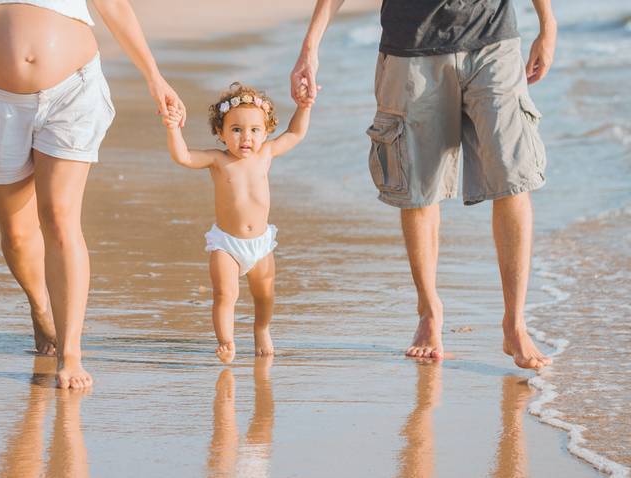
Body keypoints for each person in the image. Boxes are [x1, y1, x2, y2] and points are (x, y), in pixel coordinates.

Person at [0, 0, 185, 388]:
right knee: (17, 236)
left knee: (59, 218)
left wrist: (155, 76)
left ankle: (71, 352)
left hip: (73, 89)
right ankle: (41, 306)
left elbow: (114, 5)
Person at [291, 0, 557, 369]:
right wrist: (310, 48)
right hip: (410, 47)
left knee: (513, 177)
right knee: (417, 187)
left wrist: (548, 24)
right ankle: (429, 311)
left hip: (493, 41)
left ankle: (515, 323)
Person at [162, 82, 312, 363]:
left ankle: (262, 329)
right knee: (224, 294)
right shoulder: (218, 160)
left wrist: (304, 107)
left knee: (264, 294)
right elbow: (182, 156)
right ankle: (226, 342)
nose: (246, 137)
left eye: (255, 130)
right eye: (236, 129)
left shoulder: (266, 154)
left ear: (266, 131)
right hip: (227, 244)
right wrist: (173, 129)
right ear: (220, 132)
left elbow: (295, 133)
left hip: (261, 244)